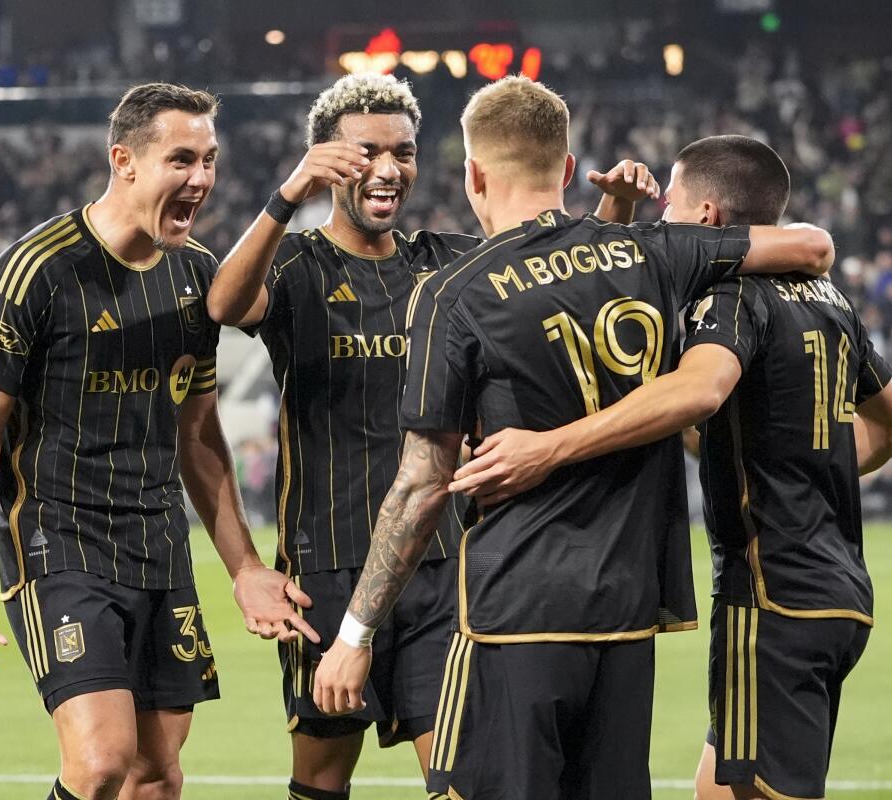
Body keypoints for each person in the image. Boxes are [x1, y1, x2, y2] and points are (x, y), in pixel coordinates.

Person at [313, 78, 839, 800]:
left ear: (473, 174)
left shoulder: (454, 291)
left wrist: (355, 634)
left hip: (513, 611)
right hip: (627, 614)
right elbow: (812, 247)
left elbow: (422, 483)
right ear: (565, 170)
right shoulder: (656, 253)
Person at [207, 72, 659, 800]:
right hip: (325, 566)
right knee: (320, 775)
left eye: (404, 152)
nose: (388, 169)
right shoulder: (296, 263)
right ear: (326, 159)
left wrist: (615, 210)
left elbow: (551, 271)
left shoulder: (444, 262)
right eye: (366, 152)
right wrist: (287, 198)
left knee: (455, 776)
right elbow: (225, 304)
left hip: (444, 564)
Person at [445, 135, 892, 800]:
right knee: (715, 790)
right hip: (838, 589)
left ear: (708, 220)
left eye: (671, 203)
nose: (662, 217)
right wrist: (801, 468)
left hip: (773, 596)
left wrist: (549, 446)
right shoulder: (829, 301)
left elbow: (697, 393)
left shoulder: (732, 297)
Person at [0, 83, 315, 800]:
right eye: (182, 160)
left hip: (159, 545)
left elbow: (198, 437)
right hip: (59, 543)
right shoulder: (35, 271)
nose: (201, 179)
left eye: (210, 161)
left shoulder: (197, 274)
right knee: (102, 762)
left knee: (156, 775)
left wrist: (245, 567)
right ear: (123, 160)